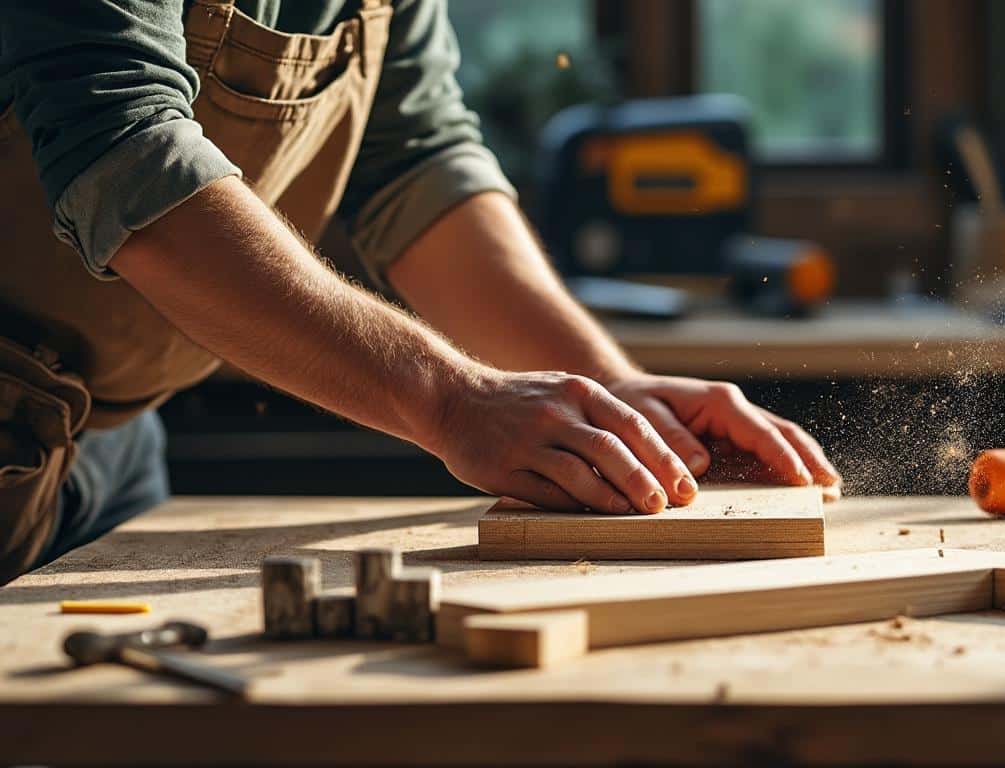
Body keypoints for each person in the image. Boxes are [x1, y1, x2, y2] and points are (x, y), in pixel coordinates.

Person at [0, 0, 840, 585]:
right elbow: (123, 152)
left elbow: (417, 164)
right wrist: (450, 397)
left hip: (113, 437)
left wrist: (608, 391)